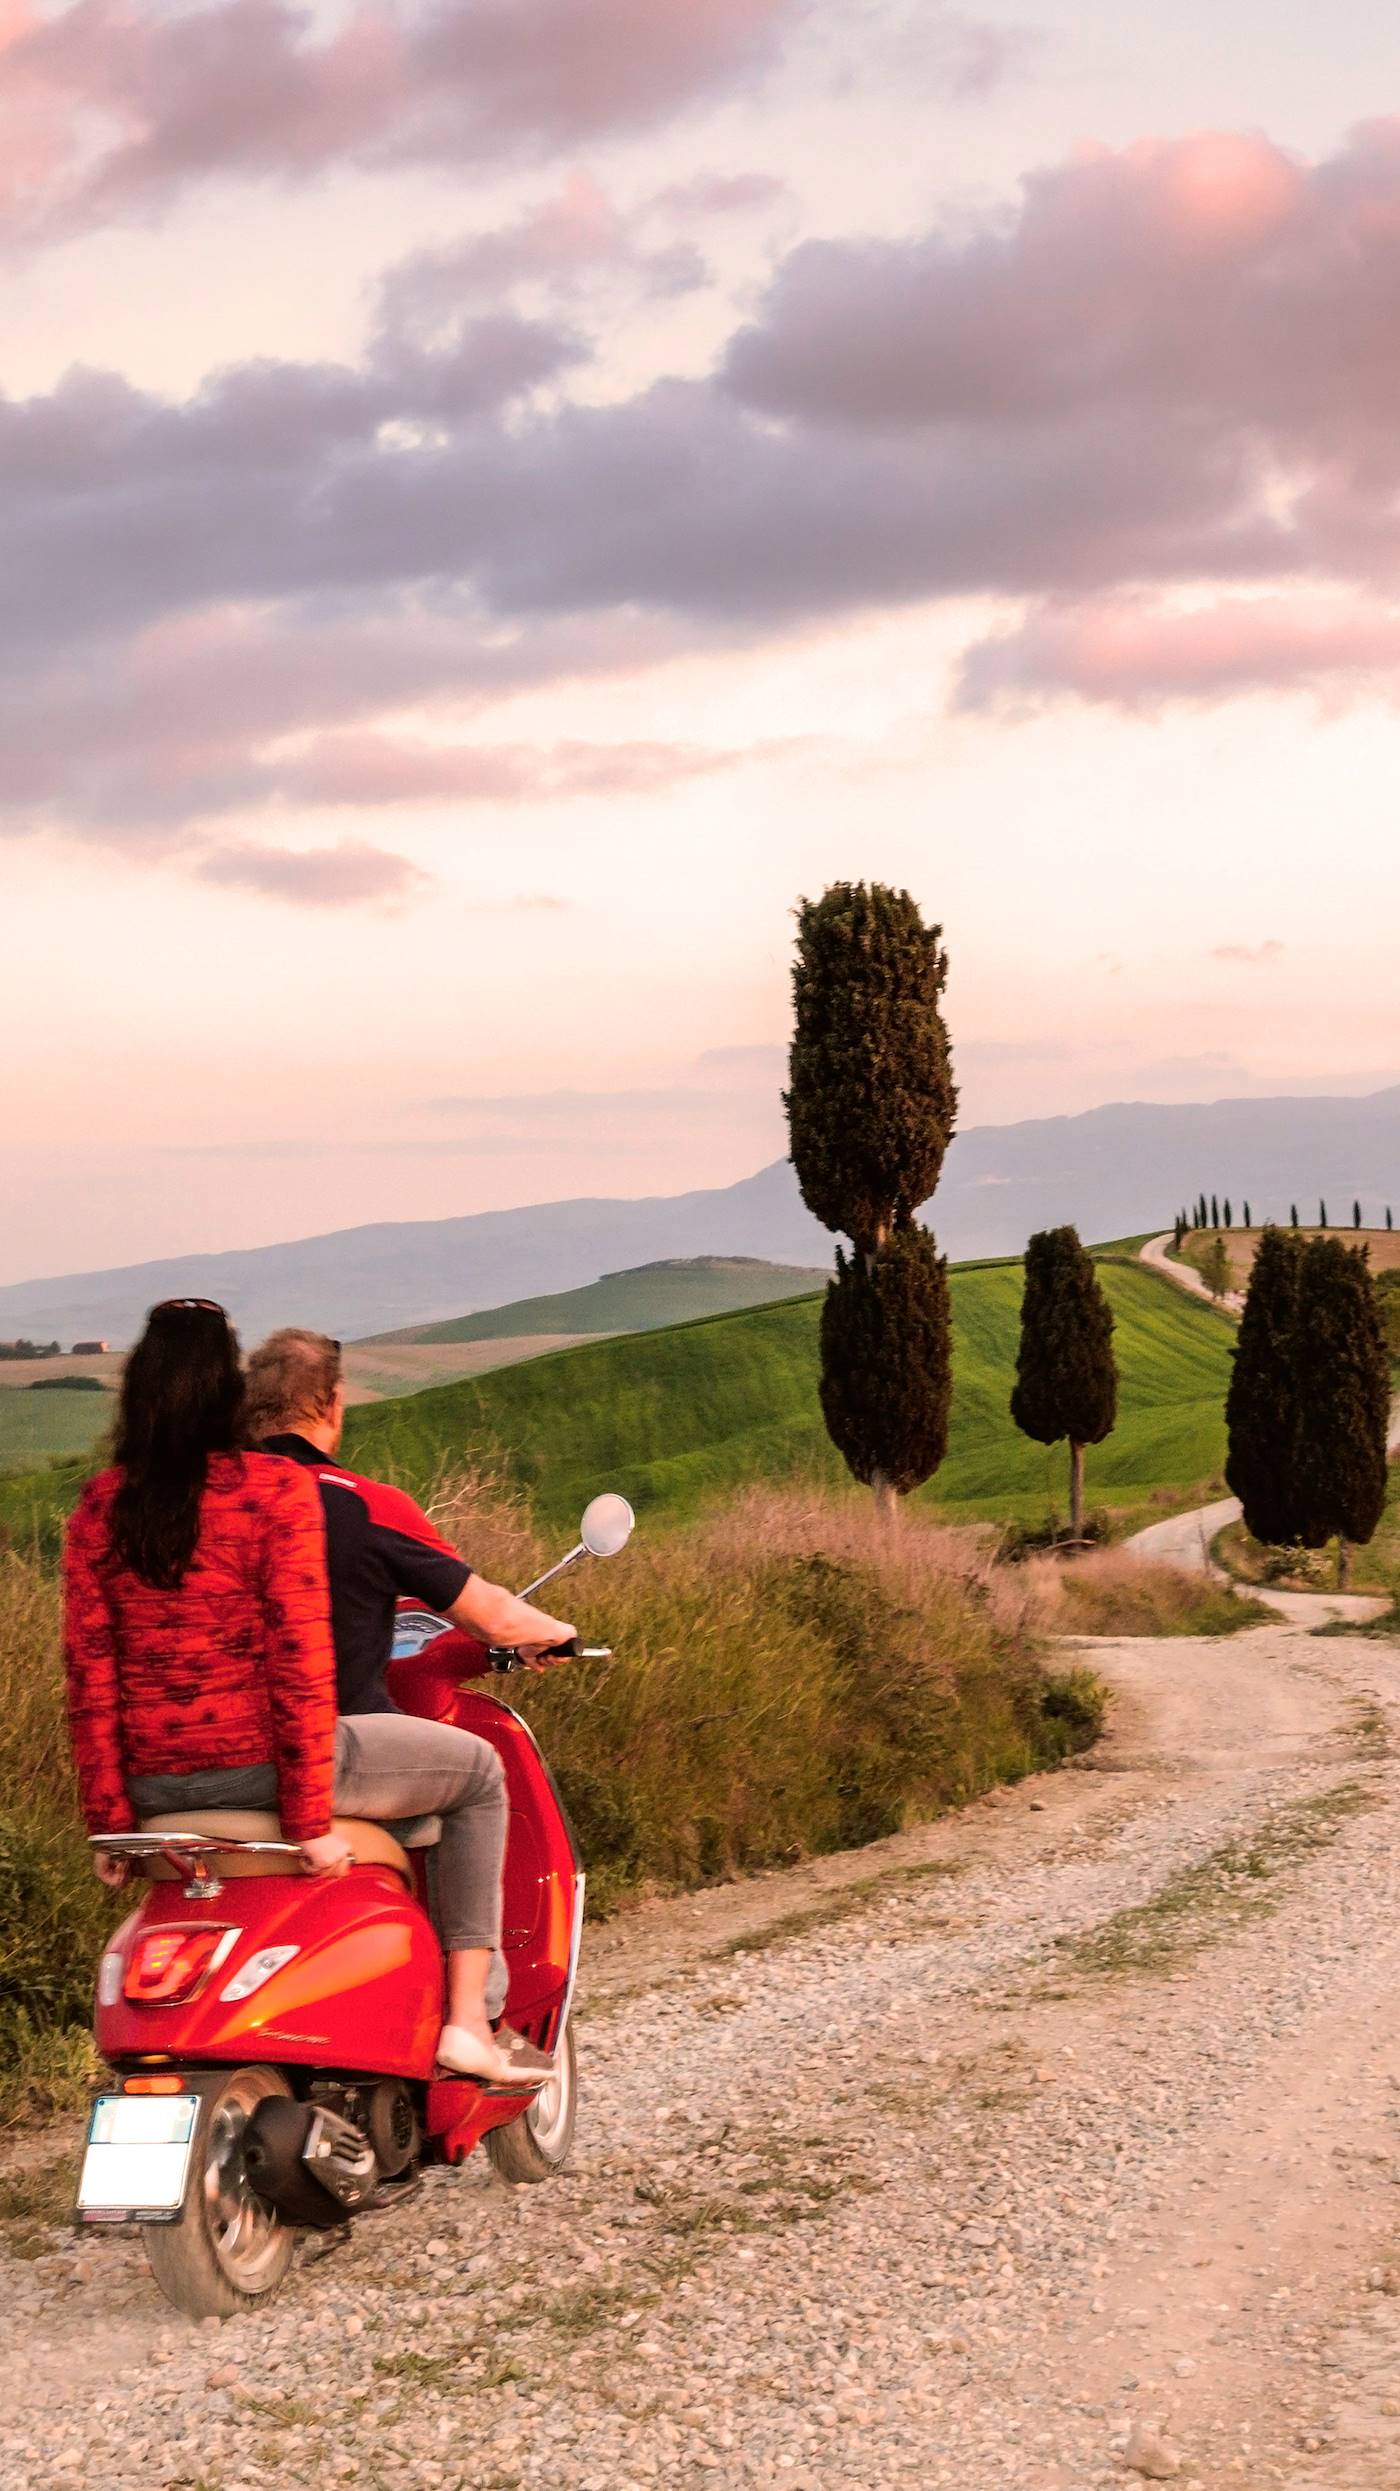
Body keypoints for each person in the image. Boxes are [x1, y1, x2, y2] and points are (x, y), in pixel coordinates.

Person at [61, 1302, 565, 2090]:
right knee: (478, 1775)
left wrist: (110, 1824)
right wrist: (306, 1823)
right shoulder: (270, 1491)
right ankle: (470, 2023)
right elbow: (298, 1665)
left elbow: (89, 1678)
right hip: (274, 1768)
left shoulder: (100, 1506)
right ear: (224, 1390)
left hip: (156, 1786)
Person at [241, 1325, 578, 2083]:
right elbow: (487, 1612)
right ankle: (468, 2020)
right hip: (327, 1749)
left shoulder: (200, 1506)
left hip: (199, 1759)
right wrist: (551, 1631)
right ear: (332, 1403)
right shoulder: (357, 1503)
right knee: (480, 1775)